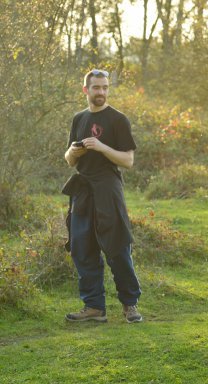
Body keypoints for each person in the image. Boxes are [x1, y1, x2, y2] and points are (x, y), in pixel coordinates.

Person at [62, 69, 142, 323]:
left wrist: (101, 147)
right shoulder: (79, 118)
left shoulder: (118, 119)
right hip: (83, 189)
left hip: (108, 188)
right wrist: (75, 152)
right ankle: (94, 307)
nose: (101, 92)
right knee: (81, 248)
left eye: (105, 87)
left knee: (117, 246)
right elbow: (69, 159)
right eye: (96, 87)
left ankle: (130, 304)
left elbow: (128, 160)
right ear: (86, 90)